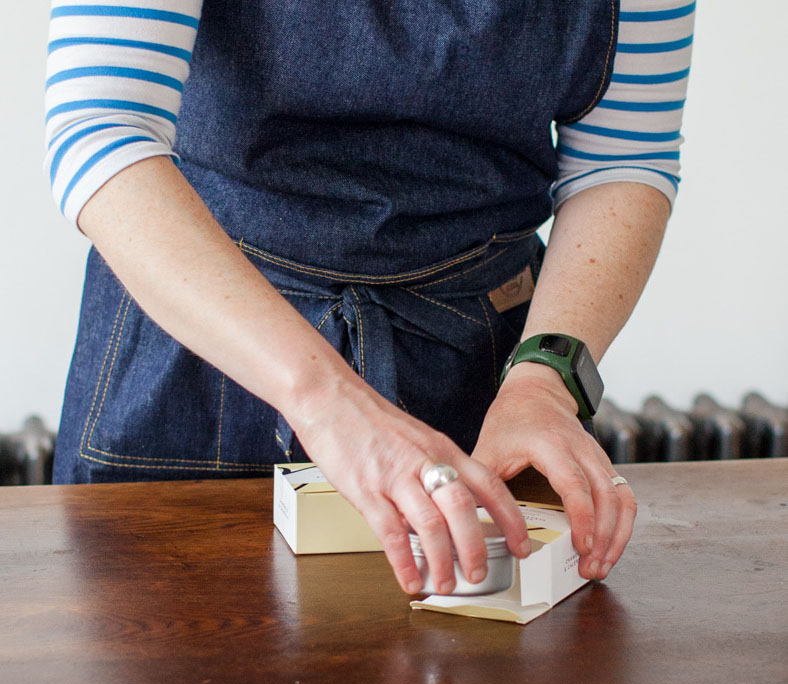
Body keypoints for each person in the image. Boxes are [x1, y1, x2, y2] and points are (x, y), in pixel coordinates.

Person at [44, 1, 694, 596]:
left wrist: (546, 382)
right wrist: (324, 397)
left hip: (485, 372)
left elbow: (624, 158)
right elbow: (101, 127)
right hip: (204, 354)